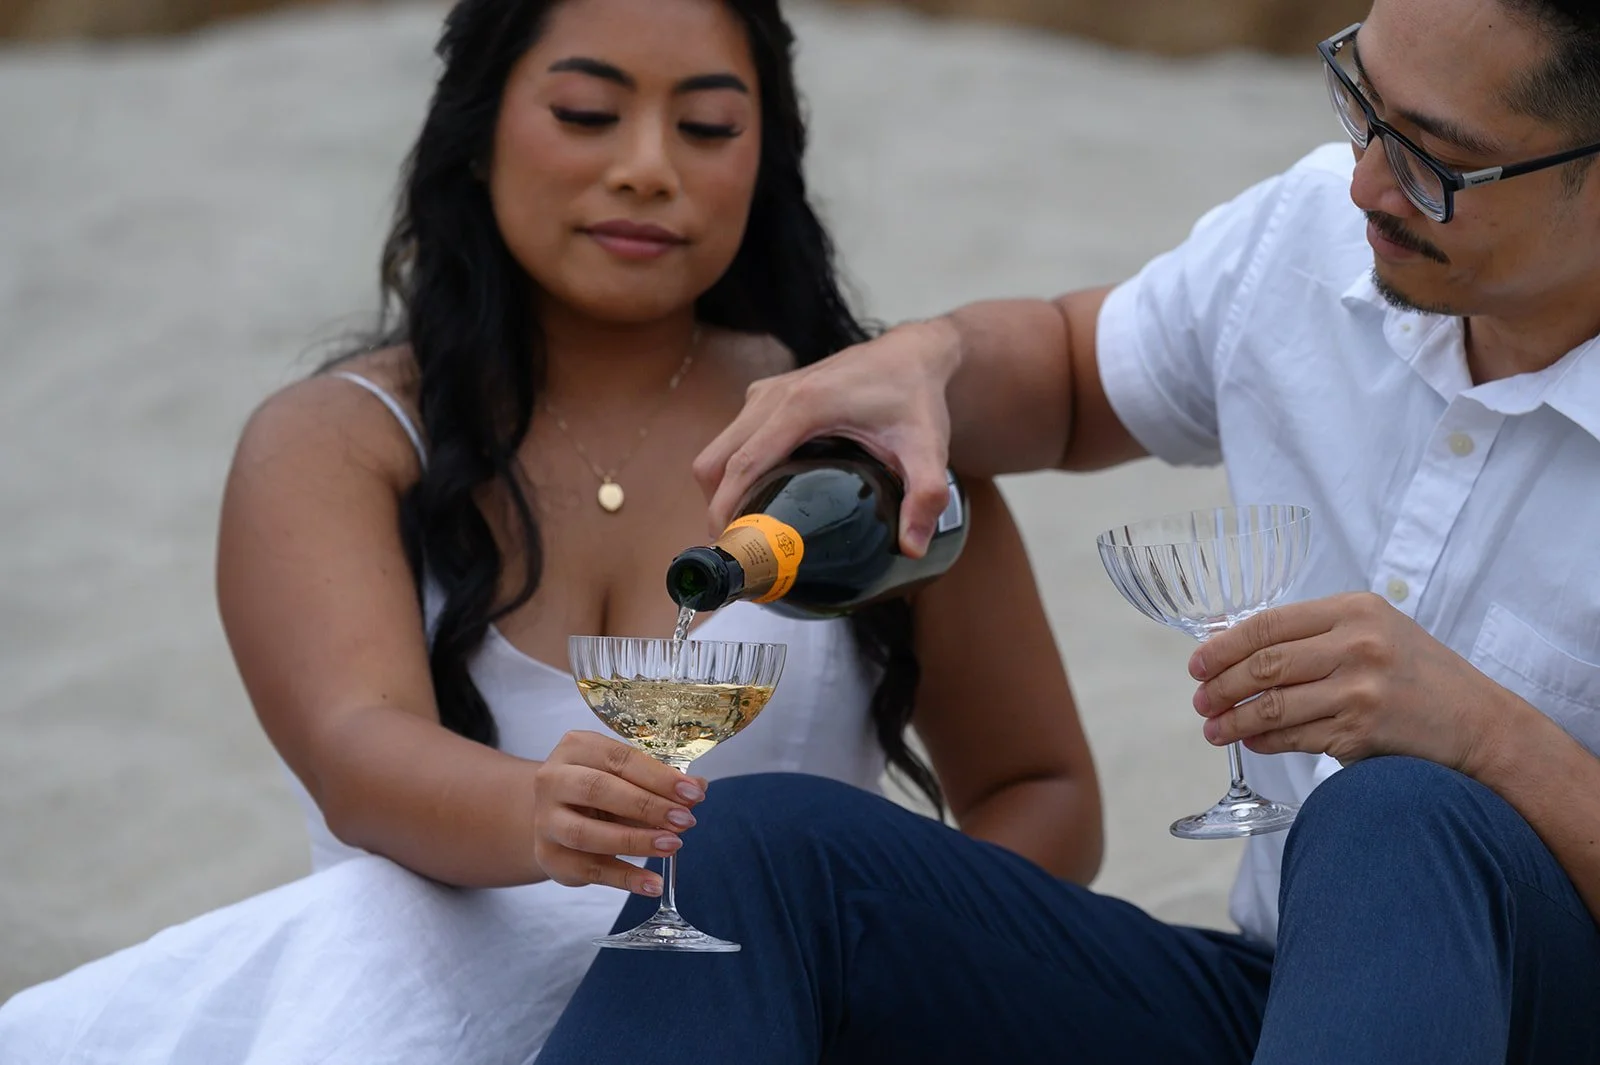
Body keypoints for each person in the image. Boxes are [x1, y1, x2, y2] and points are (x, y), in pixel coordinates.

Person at [0, 0, 1103, 1061]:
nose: (647, 165)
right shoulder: (340, 441)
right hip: (419, 1018)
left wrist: (880, 962)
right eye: (586, 112)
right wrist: (538, 812)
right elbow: (354, 748)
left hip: (783, 1020)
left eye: (707, 125)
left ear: (763, 160)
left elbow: (1040, 789)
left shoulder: (869, 446)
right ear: (477, 133)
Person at [538, 0, 1600, 1061]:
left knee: (1397, 814)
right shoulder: (1308, 235)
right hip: (1285, 1004)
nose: (1366, 178)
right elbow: (1066, 377)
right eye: (1360, 100)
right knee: (754, 848)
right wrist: (931, 360)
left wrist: (1485, 737)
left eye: (1435, 161)